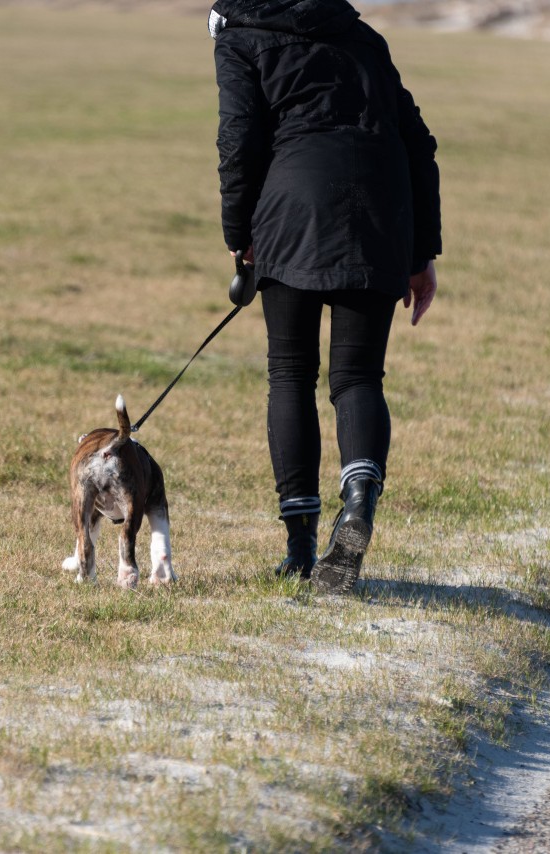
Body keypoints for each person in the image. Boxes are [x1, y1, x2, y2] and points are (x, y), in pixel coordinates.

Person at [210, 0, 441, 593]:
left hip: (294, 208)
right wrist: (421, 253)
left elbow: (239, 139)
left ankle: (301, 548)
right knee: (358, 378)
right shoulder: (362, 37)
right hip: (381, 215)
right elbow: (418, 143)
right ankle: (359, 499)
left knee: (290, 373)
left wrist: (240, 235)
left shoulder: (241, 35)